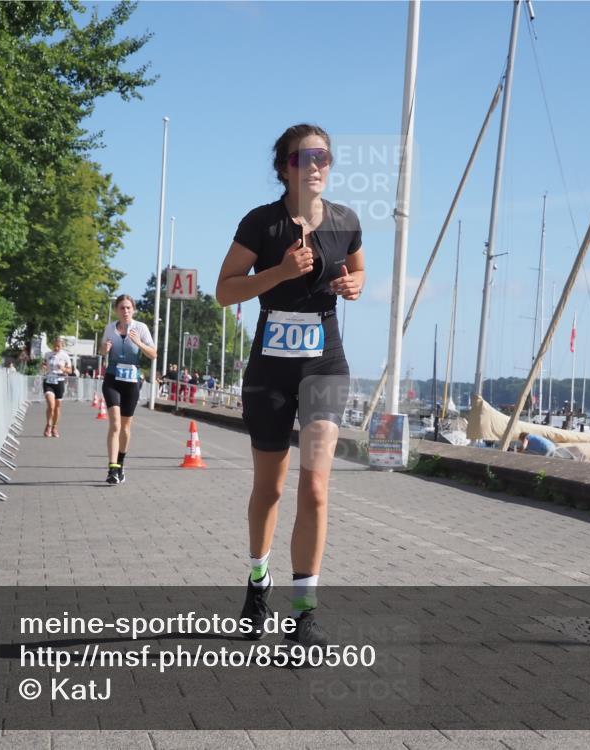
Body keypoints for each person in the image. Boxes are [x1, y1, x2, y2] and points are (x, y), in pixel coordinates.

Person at [216, 123, 365, 649]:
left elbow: (359, 272)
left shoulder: (346, 221)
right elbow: (224, 291)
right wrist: (278, 273)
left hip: (324, 363)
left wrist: (353, 285)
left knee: (316, 487)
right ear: (284, 168)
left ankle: (304, 614)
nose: (315, 165)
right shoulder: (261, 222)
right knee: (270, 489)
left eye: (323, 156)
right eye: (303, 158)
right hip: (271, 370)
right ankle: (258, 581)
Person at [100, 295, 157, 484]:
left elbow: (153, 354)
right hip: (112, 379)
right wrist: (105, 349)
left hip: (131, 382)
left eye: (128, 308)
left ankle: (120, 464)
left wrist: (139, 343)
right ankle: (112, 469)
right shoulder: (110, 328)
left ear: (133, 310)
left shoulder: (141, 328)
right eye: (122, 308)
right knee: (115, 424)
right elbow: (101, 351)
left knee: (125, 427)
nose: (125, 311)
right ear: (116, 310)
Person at [40, 337, 73, 437]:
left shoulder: (65, 356)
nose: (56, 348)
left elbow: (70, 371)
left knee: (57, 407)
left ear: (62, 346)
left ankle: (54, 427)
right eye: (55, 346)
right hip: (49, 381)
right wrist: (43, 367)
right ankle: (48, 426)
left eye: (58, 346)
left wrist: (63, 369)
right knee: (51, 405)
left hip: (59, 381)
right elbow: (43, 365)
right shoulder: (47, 354)